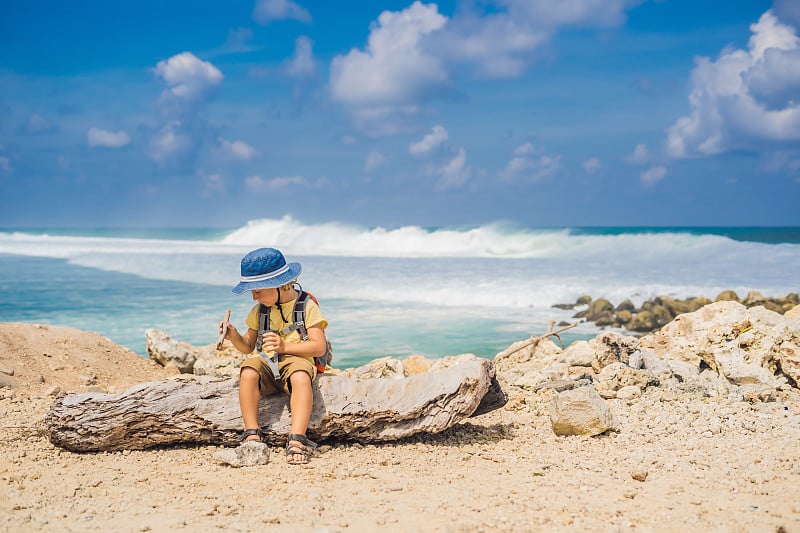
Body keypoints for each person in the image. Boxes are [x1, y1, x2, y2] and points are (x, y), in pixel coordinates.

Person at [220, 247, 328, 464]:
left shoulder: (306, 306)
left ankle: (298, 437)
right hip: (268, 363)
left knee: (299, 376)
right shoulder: (260, 311)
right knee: (249, 369)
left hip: (297, 359)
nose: (253, 297)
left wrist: (283, 347)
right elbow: (248, 346)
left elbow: (319, 347)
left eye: (258, 290)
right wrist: (234, 337)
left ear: (280, 284)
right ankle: (252, 431)